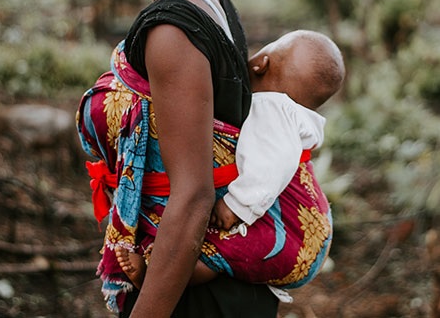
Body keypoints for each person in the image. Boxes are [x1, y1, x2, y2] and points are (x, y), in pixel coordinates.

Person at [76, 0, 280, 318]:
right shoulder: (212, 1)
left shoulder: (172, 30)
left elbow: (192, 196)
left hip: (197, 299)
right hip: (223, 289)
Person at [115, 29, 345, 290]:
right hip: (312, 233)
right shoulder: (293, 115)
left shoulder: (273, 110)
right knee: (226, 252)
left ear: (261, 63)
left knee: (223, 253)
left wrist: (236, 205)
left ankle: (157, 276)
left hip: (297, 241)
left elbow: (270, 168)